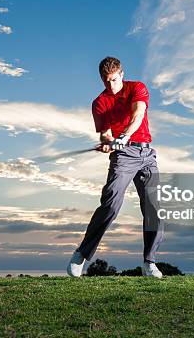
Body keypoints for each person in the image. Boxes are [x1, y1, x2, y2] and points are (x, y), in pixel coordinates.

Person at [67, 56, 164, 278]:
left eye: (113, 79)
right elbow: (105, 134)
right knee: (111, 204)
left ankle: (149, 262)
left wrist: (125, 134)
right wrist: (107, 143)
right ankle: (81, 254)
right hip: (124, 155)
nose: (110, 85)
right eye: (106, 81)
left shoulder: (136, 88)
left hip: (146, 153)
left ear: (122, 74)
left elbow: (138, 113)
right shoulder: (99, 103)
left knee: (153, 208)